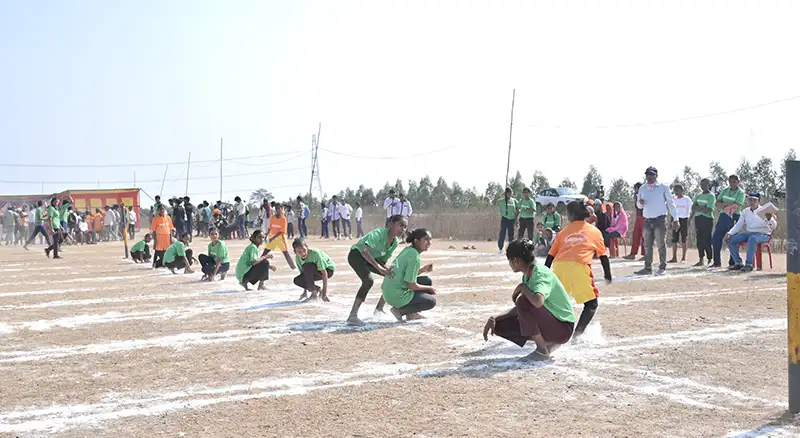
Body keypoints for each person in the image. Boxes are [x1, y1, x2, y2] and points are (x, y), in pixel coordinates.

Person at [482, 239, 576, 361]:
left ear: (515, 261)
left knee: (522, 301)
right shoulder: (528, 275)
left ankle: (542, 351)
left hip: (563, 328)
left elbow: (537, 302)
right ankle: (548, 344)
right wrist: (495, 318)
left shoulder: (540, 273)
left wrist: (523, 287)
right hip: (554, 323)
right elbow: (525, 309)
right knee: (500, 325)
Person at [546, 201, 612, 339]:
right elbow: (603, 255)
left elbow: (551, 255)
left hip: (559, 267)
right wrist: (608, 275)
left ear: (571, 215)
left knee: (555, 303)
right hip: (579, 266)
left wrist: (544, 273)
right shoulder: (594, 231)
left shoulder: (563, 232)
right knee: (591, 304)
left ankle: (548, 332)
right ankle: (577, 335)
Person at [346, 214, 408, 326]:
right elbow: (365, 251)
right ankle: (352, 315)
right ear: (391, 224)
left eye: (405, 227)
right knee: (368, 281)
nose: (402, 229)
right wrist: (379, 268)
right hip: (357, 255)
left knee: (393, 277)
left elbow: (381, 261)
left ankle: (379, 309)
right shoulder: (378, 233)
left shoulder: (394, 242)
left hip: (371, 260)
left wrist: (388, 270)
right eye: (400, 225)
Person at [383, 228, 436, 322]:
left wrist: (422, 270)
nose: (429, 243)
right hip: (396, 296)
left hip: (388, 292)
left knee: (426, 280)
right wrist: (429, 288)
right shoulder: (415, 257)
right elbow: (411, 285)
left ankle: (411, 313)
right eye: (426, 239)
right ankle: (400, 311)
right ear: (416, 241)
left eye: (430, 240)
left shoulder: (408, 250)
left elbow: (405, 275)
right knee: (431, 301)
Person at [635, 167, 680, 276]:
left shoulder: (663, 187)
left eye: (651, 174)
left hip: (659, 220)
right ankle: (647, 268)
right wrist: (640, 203)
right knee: (647, 245)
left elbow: (671, 203)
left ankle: (662, 267)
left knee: (661, 244)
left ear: (656, 175)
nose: (649, 177)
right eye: (647, 175)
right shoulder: (642, 188)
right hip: (647, 220)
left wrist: (675, 219)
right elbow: (639, 206)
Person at [725, 192, 777, 272]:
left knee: (752, 239)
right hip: (749, 233)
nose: (752, 202)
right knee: (731, 240)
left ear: (759, 201)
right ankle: (738, 263)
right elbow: (739, 224)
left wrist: (770, 219)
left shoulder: (765, 211)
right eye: (750, 200)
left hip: (763, 234)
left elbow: (774, 226)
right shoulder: (745, 211)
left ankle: (749, 264)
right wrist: (730, 233)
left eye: (754, 200)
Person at [712, 175, 746, 268]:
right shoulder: (725, 190)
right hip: (723, 216)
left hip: (734, 217)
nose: (732, 184)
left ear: (738, 182)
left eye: (734, 182)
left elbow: (736, 206)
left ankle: (733, 262)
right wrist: (728, 204)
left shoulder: (741, 193)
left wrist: (724, 204)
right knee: (716, 238)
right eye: (730, 182)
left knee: (732, 239)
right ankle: (716, 262)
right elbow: (717, 203)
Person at [263, 203, 297, 269]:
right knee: (265, 252)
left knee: (286, 253)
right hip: (272, 237)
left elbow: (282, 231)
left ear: (281, 209)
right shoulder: (272, 218)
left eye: (279, 208)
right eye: (276, 208)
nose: (277, 210)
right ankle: (259, 265)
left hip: (280, 238)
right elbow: (270, 228)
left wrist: (273, 238)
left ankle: (293, 267)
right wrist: (266, 235)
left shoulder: (284, 219)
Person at [692, 179, 716, 267]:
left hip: (707, 219)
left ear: (709, 185)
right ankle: (701, 259)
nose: (703, 186)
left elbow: (709, 209)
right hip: (698, 218)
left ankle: (709, 259)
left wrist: (699, 208)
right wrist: (702, 208)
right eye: (701, 184)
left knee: (707, 239)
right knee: (699, 239)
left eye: (705, 184)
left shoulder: (711, 196)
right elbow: (693, 207)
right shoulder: (698, 195)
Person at [669, 184, 693, 263]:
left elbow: (691, 210)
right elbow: (672, 211)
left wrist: (689, 220)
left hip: (684, 219)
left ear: (682, 190)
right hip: (676, 220)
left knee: (684, 239)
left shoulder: (687, 199)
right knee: (674, 239)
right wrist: (671, 221)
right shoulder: (674, 199)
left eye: (677, 190)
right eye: (675, 190)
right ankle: (674, 257)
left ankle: (683, 258)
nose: (676, 192)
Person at [623, 182, 646, 260]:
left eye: (636, 188)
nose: (635, 190)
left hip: (644, 217)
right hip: (638, 217)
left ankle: (645, 254)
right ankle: (633, 253)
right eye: (635, 188)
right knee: (635, 235)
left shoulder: (644, 195)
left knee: (644, 236)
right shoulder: (636, 196)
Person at [497, 187, 519, 254]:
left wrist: (516, 219)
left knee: (511, 234)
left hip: (512, 219)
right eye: (508, 193)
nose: (509, 194)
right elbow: (494, 201)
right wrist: (501, 195)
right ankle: (500, 248)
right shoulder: (501, 201)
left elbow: (518, 209)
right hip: (504, 218)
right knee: (502, 233)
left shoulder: (514, 201)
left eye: (510, 193)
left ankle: (510, 248)